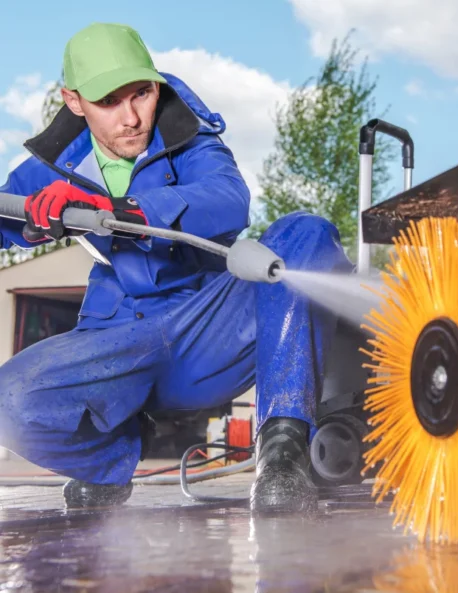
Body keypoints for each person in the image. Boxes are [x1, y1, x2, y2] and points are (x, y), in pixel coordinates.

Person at [0, 23, 352, 512]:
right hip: (117, 341)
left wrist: (121, 210)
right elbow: (7, 220)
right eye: (108, 102)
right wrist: (37, 222)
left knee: (306, 233)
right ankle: (108, 460)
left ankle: (282, 452)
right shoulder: (51, 166)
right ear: (74, 102)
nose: (131, 118)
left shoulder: (191, 140)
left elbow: (228, 199)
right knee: (8, 402)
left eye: (141, 94)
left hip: (211, 328)